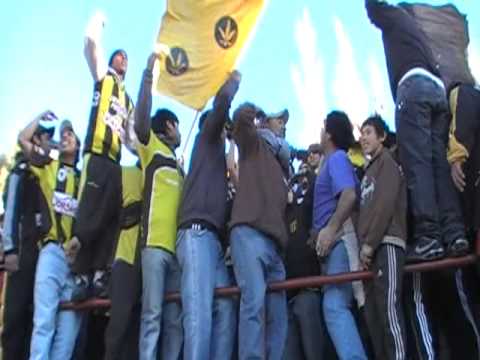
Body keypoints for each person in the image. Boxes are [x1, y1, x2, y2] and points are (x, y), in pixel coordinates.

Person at [365, 0, 468, 262]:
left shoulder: (393, 15)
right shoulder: (416, 29)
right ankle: (455, 232)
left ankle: (428, 238)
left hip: (412, 87)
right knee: (438, 165)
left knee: (418, 165)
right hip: (437, 90)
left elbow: (373, 6)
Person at [69, 11, 135, 299]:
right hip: (95, 154)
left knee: (110, 216)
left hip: (115, 162)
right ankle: (79, 276)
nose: (123, 60)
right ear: (111, 61)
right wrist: (98, 20)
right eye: (119, 56)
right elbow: (89, 45)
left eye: (126, 59)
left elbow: (133, 139)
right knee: (88, 216)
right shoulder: (103, 78)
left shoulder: (128, 100)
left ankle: (98, 274)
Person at [176, 71, 241, 360]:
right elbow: (219, 109)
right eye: (224, 128)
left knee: (225, 306)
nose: (227, 131)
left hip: (212, 241)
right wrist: (231, 84)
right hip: (196, 233)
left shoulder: (219, 163)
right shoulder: (205, 140)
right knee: (199, 311)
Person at [18, 112, 82, 360]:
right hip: (52, 252)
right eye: (62, 134)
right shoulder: (47, 166)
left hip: (77, 262)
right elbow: (22, 140)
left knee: (67, 337)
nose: (65, 136)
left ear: (79, 145)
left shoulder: (84, 178)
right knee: (44, 324)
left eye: (70, 134)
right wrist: (39, 115)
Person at [229, 102, 289, 360]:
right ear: (265, 124)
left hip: (275, 246)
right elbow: (240, 119)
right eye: (278, 120)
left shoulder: (282, 165)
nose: (283, 125)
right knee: (254, 305)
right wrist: (258, 111)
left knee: (278, 314)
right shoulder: (252, 144)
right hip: (249, 235)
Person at [135, 53, 184, 360]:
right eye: (176, 126)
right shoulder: (150, 145)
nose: (180, 131)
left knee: (175, 320)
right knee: (152, 316)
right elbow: (141, 119)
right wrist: (148, 76)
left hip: (178, 252)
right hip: (153, 246)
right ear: (168, 126)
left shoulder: (180, 166)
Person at [313, 110, 367, 360]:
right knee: (336, 305)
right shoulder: (329, 162)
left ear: (330, 133)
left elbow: (349, 195)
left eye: (324, 127)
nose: (320, 132)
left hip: (340, 243)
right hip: (329, 247)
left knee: (334, 306)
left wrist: (330, 229)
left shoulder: (336, 160)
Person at [1, 124, 54, 360]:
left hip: (41, 252)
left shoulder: (46, 172)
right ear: (36, 139)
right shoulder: (20, 172)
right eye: (46, 137)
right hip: (22, 250)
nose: (49, 142)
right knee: (15, 315)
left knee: (35, 317)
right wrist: (10, 250)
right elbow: (11, 211)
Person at [357, 115, 408, 360]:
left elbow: (385, 204)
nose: (363, 137)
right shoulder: (366, 172)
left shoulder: (387, 162)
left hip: (387, 243)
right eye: (362, 133)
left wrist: (369, 244)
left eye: (368, 132)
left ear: (382, 136)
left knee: (389, 311)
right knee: (375, 318)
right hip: (370, 251)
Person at [283, 157, 329, 360]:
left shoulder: (308, 209)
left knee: (313, 352)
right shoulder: (284, 215)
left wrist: (306, 173)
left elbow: (314, 187)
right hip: (286, 297)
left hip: (308, 292)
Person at [104, 163, 143, 360]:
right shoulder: (124, 172)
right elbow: (108, 214)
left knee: (139, 332)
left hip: (156, 261)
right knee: (119, 328)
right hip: (126, 257)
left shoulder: (174, 172)